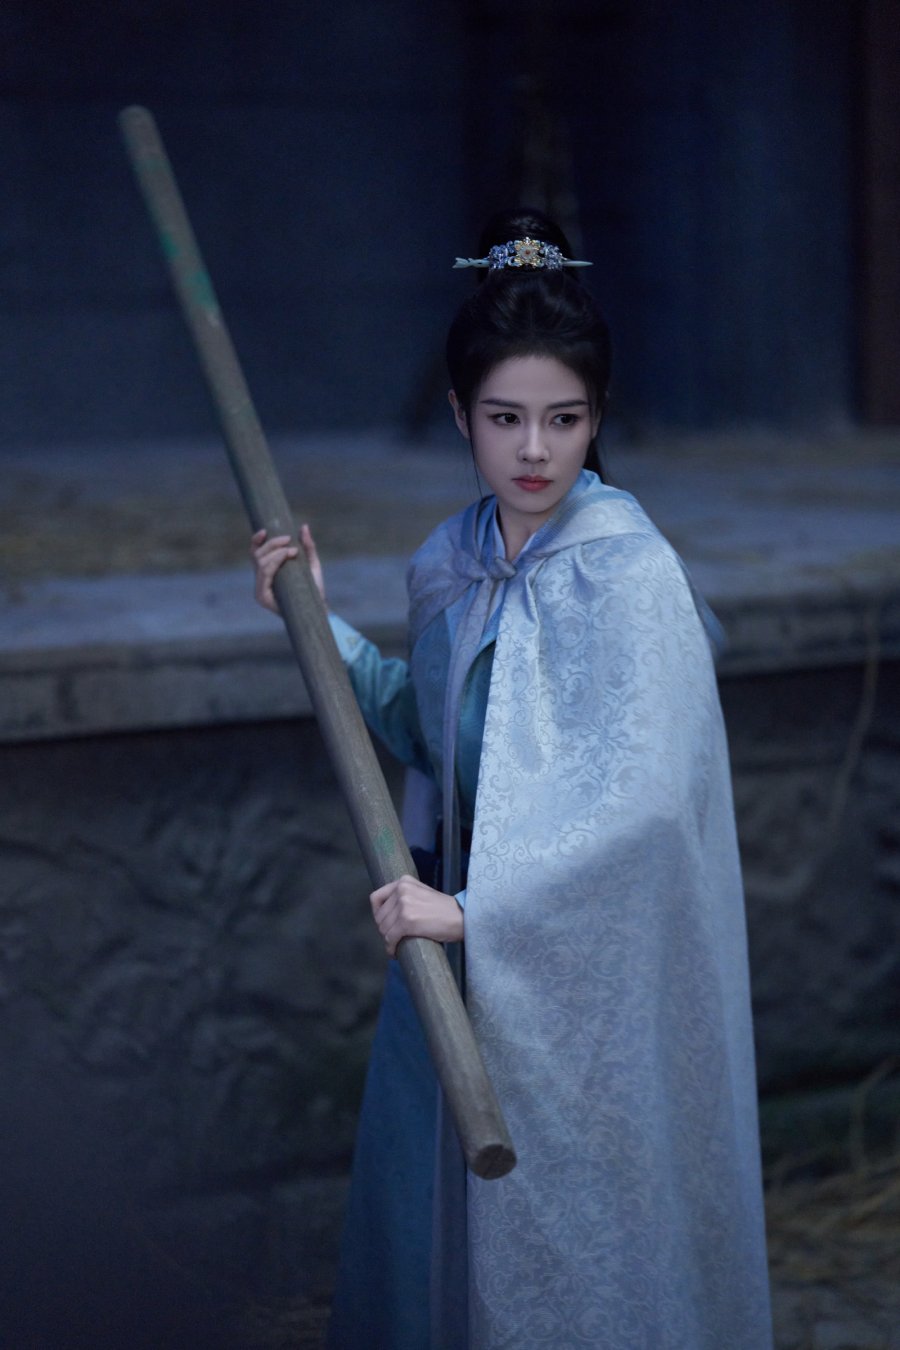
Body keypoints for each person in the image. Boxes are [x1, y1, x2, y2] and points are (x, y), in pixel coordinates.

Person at [251, 209, 773, 1349]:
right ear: (459, 416)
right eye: (504, 419)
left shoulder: (630, 576)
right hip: (449, 962)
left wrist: (482, 912)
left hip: (579, 982)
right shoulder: (452, 564)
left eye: (563, 419)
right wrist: (318, 624)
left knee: (571, 1254)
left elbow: (643, 814)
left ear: (598, 418)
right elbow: (436, 735)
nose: (534, 451)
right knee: (431, 1242)